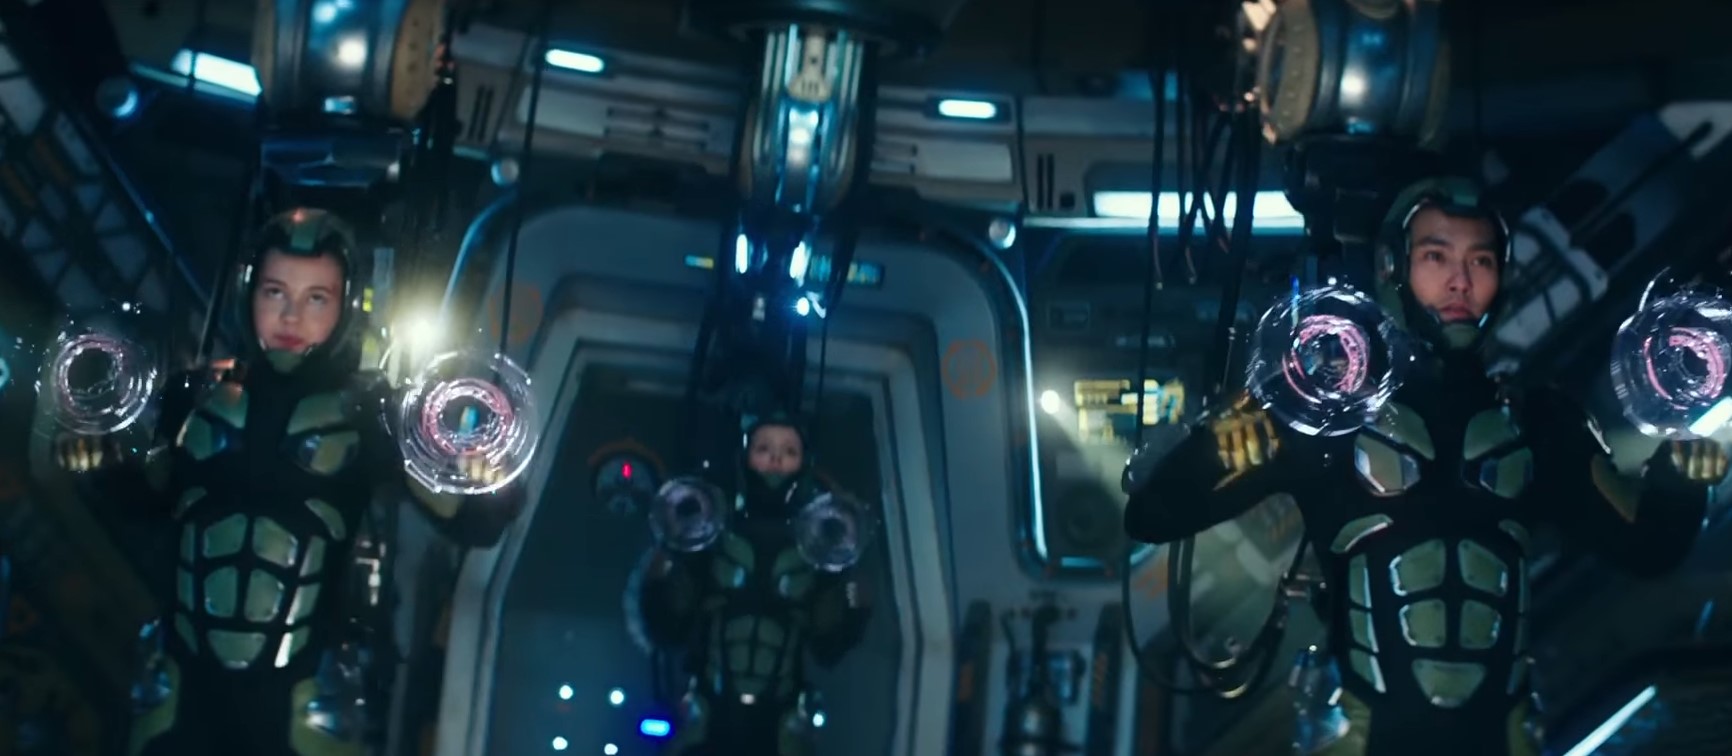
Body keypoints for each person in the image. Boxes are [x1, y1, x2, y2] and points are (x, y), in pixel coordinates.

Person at [1122, 178, 1727, 756]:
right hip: (1363, 738)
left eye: (1480, 261)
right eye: (1436, 257)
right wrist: (1212, 451)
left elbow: (1649, 549)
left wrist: (1681, 483)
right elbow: (1152, 516)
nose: (1460, 280)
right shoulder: (1331, 415)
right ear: (1394, 268)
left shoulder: (1539, 425)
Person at [56, 208, 525, 756]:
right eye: (275, 291)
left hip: (300, 706)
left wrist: (489, 485)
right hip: (184, 694)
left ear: (346, 306)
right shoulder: (193, 399)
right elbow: (147, 502)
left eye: (316, 298)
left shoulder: (369, 414)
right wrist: (102, 468)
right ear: (248, 292)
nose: (291, 315)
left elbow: (471, 522)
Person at [632, 414, 870, 756]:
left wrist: (852, 594)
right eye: (764, 449)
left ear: (804, 462)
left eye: (789, 451)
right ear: (745, 456)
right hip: (707, 712)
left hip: (782, 720)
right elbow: (667, 627)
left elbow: (828, 646)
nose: (776, 460)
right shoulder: (709, 531)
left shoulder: (821, 548)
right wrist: (666, 564)